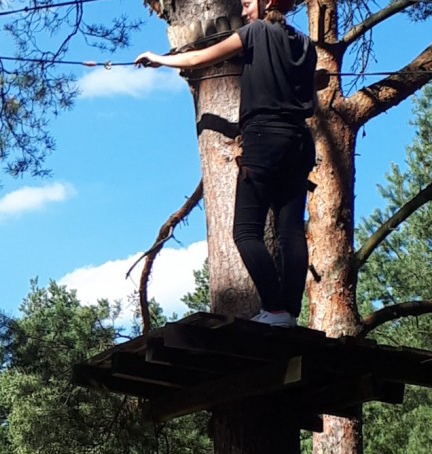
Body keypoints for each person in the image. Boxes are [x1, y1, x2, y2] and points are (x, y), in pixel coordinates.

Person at [136, 0, 317, 327]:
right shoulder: (305, 45)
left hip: (263, 138)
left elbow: (197, 58)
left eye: (248, 3)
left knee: (246, 232)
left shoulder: (255, 32)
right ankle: (288, 312)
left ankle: (275, 310)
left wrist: (159, 59)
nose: (244, 10)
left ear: (267, 4)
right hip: (300, 141)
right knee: (291, 231)